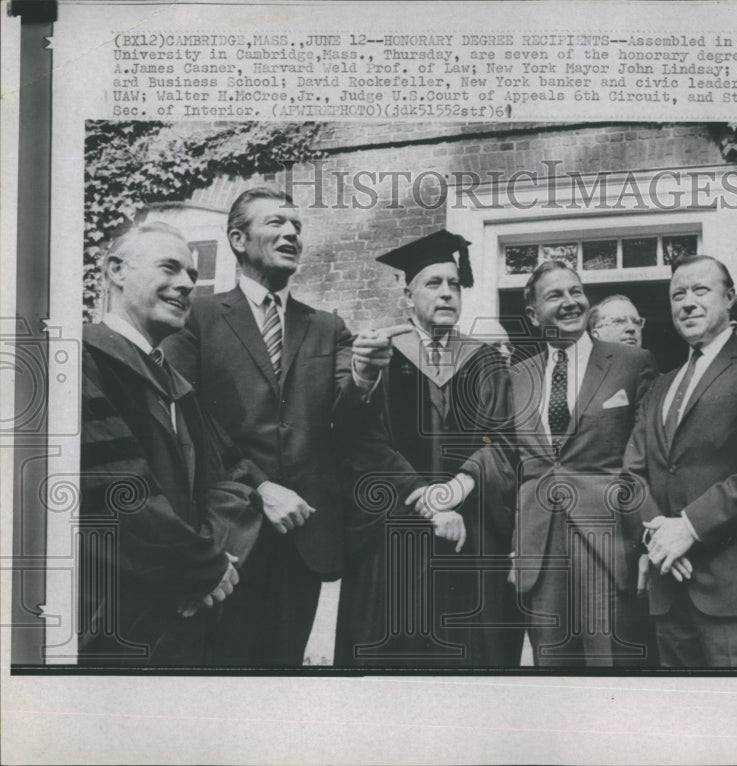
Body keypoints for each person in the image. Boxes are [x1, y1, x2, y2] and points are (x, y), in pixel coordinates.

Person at [164, 187, 401, 666]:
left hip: (306, 538)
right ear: (237, 238)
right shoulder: (198, 319)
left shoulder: (326, 327)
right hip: (228, 532)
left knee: (282, 674)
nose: (292, 232)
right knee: (220, 675)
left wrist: (365, 374)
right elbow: (190, 425)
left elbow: (347, 422)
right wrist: (261, 488)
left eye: (296, 226)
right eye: (275, 223)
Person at [336, 230, 522, 667]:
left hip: (469, 538)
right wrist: (427, 500)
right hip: (396, 538)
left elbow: (504, 442)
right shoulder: (378, 353)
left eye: (454, 285)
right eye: (433, 283)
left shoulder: (485, 361)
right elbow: (359, 441)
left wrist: (454, 491)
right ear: (408, 295)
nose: (446, 294)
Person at [79, 223, 260, 666]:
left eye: (191, 276)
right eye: (169, 268)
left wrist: (214, 562)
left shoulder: (178, 385)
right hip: (115, 612)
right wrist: (201, 568)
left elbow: (232, 481)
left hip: (188, 611)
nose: (185, 284)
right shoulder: (81, 359)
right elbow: (115, 489)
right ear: (116, 271)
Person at [623, 255, 737, 667]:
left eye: (700, 291)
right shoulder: (661, 385)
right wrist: (659, 537)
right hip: (671, 587)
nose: (687, 303)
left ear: (729, 298)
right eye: (678, 295)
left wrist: (689, 527)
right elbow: (632, 474)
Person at [506, 260, 658, 667]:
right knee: (552, 668)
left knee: (610, 669)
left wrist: (646, 540)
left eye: (576, 291)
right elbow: (513, 461)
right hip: (540, 548)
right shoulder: (517, 376)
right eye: (556, 295)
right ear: (534, 315)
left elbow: (644, 457)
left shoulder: (631, 362)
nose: (571, 302)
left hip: (607, 540)